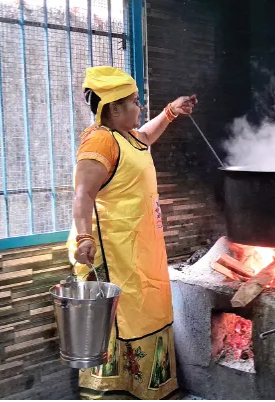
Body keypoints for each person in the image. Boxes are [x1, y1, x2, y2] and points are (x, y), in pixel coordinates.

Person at [68, 66, 197, 400]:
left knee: (146, 306)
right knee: (122, 313)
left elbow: (147, 136)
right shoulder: (100, 141)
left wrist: (171, 112)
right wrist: (84, 238)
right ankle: (112, 388)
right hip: (113, 248)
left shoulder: (127, 136)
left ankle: (144, 385)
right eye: (135, 102)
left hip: (139, 243)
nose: (140, 108)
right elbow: (83, 194)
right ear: (114, 108)